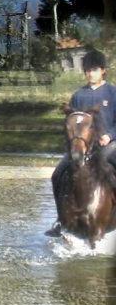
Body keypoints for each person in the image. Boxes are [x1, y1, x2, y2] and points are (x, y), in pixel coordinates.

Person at [46, 48, 116, 237]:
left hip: (109, 144)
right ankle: (61, 219)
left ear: (103, 70)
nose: (90, 73)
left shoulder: (113, 92)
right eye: (87, 70)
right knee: (57, 174)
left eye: (93, 69)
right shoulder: (78, 95)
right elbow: (72, 123)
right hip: (84, 146)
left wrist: (109, 135)